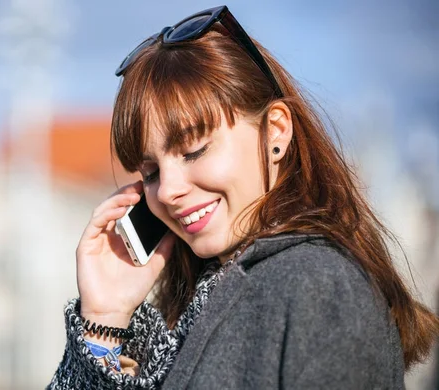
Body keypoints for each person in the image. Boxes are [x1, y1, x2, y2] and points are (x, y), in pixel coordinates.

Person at [49, 5, 439, 389]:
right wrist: (104, 321)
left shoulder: (315, 287)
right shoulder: (208, 300)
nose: (167, 191)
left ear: (277, 132)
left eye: (194, 150)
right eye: (150, 172)